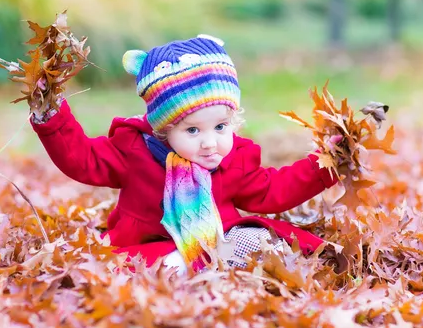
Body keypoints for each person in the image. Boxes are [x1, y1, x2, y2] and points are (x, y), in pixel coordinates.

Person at [30, 34, 338, 275]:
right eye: (192, 131)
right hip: (150, 248)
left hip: (217, 239)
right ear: (164, 130)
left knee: (259, 241)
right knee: (145, 266)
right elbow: (83, 159)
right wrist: (52, 116)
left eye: (220, 126)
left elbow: (275, 190)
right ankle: (190, 267)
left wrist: (327, 162)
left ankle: (225, 263)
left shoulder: (234, 158)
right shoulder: (136, 151)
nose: (209, 143)